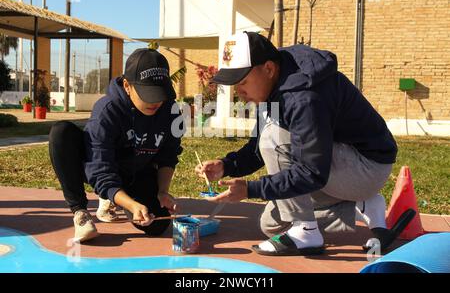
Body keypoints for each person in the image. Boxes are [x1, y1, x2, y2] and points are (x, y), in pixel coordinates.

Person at [196, 31, 413, 256]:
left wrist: (251, 189)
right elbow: (257, 149)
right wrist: (227, 165)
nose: (239, 93)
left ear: (269, 69)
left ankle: (306, 230)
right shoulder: (274, 84)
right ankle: (361, 207)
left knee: (273, 137)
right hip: (333, 165)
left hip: (366, 167)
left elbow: (311, 171)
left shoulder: (303, 98)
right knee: (271, 224)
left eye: (242, 82)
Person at [49, 49, 183, 242]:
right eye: (148, 94)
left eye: (160, 94)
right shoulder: (107, 111)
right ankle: (80, 212)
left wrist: (162, 191)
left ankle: (118, 197)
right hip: (99, 165)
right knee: (61, 133)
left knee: (157, 225)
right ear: (127, 86)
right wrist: (129, 203)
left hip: (136, 170)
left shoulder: (170, 110)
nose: (156, 101)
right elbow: (101, 170)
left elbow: (169, 155)